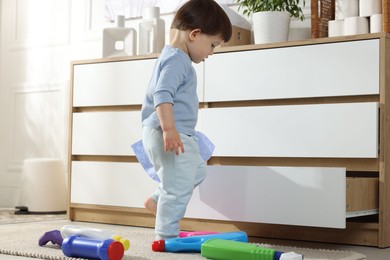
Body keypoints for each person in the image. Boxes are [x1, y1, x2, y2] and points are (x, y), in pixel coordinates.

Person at [140, 0, 232, 240]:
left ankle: (157, 201)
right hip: (168, 132)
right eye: (212, 45)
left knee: (197, 171)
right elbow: (162, 95)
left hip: (175, 132)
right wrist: (168, 129)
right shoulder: (177, 60)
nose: (211, 53)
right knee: (177, 187)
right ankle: (166, 234)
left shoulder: (174, 57)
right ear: (194, 34)